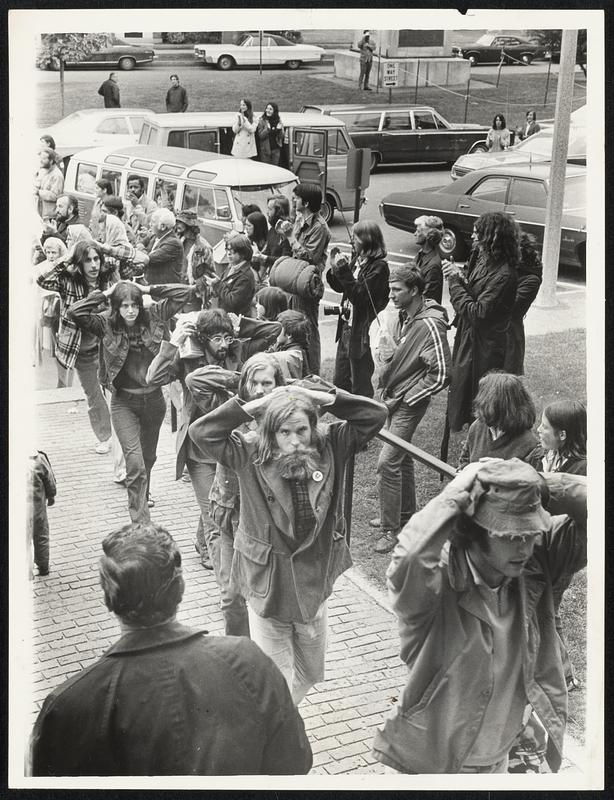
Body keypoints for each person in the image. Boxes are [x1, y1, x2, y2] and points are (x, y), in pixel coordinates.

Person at [29, 522, 313, 776]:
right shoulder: (249, 662)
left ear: (108, 599)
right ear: (181, 588)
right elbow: (294, 763)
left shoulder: (68, 707)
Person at [372, 458, 587, 774]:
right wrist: (459, 491)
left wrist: (537, 483)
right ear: (474, 531)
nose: (525, 547)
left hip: (500, 759)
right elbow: (412, 556)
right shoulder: (435, 589)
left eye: (530, 534)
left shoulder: (535, 566)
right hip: (434, 766)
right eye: (511, 536)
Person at [189, 381, 388, 704]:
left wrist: (326, 397)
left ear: (314, 427)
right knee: (277, 681)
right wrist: (255, 404)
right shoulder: (248, 451)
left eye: (301, 430)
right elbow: (203, 433)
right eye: (284, 432)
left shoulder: (332, 445)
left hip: (313, 582)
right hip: (268, 581)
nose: (295, 441)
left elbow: (375, 415)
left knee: (310, 672)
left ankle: (273, 722)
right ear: (271, 433)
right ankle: (276, 734)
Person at [67, 280, 197, 522]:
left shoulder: (155, 315)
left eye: (134, 305)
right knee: (134, 462)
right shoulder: (105, 323)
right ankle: (140, 522)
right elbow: (75, 312)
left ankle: (143, 494)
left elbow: (186, 292)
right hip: (123, 403)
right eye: (124, 305)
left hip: (154, 401)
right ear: (116, 307)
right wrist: (106, 293)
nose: (130, 310)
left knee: (148, 457)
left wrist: (147, 289)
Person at [145, 308, 242, 584]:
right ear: (203, 339)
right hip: (200, 452)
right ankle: (228, 589)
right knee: (217, 521)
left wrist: (240, 322)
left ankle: (200, 543)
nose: (223, 344)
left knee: (219, 503)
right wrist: (174, 343)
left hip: (229, 447)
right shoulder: (187, 358)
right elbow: (152, 378)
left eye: (227, 337)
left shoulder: (234, 354)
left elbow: (270, 331)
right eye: (216, 339)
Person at [196, 353, 286, 636]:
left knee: (263, 598)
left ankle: (263, 656)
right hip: (231, 520)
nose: (260, 389)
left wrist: (284, 394)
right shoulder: (231, 413)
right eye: (254, 382)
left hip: (265, 525)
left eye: (267, 383)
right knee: (231, 598)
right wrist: (249, 401)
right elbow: (195, 384)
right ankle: (240, 655)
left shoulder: (286, 420)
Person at [372, 265, 451, 554]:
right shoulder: (409, 316)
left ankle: (389, 530)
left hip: (407, 402)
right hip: (395, 397)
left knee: (387, 462)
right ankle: (404, 516)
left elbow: (442, 372)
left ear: (414, 290)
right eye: (391, 289)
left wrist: (411, 397)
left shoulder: (430, 324)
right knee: (401, 458)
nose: (391, 294)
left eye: (397, 290)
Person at [36, 241, 117, 450]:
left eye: (96, 259)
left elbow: (136, 257)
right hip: (81, 349)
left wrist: (106, 248)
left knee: (116, 390)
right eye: (87, 260)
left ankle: (121, 433)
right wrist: (68, 257)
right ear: (79, 263)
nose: (93, 265)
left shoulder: (107, 278)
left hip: (107, 346)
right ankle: (106, 437)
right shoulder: (68, 281)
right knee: (93, 394)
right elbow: (42, 279)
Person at [444, 211, 519, 433]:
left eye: (478, 234)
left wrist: (455, 282)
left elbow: (477, 312)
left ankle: (483, 443)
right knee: (462, 394)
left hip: (485, 349)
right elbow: (474, 292)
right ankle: (473, 438)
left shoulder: (504, 275)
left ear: (492, 238)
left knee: (482, 402)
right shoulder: (483, 258)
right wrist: (459, 277)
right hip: (469, 340)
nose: (473, 237)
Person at [326, 220, 390, 397]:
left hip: (361, 334)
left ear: (366, 239)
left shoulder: (379, 267)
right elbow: (342, 288)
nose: (350, 241)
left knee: (359, 386)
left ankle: (362, 421)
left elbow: (360, 297)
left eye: (354, 237)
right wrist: (334, 268)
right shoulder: (359, 259)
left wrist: (345, 272)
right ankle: (346, 421)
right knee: (340, 381)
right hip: (347, 329)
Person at [277, 182, 332, 373]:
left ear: (306, 202)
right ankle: (301, 369)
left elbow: (310, 257)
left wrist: (291, 237)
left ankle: (313, 373)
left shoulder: (319, 227)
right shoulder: (300, 220)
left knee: (308, 330)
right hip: (295, 282)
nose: (293, 200)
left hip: (308, 285)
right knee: (295, 328)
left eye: (296, 198)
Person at [458, 372, 538, 469]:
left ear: (498, 406)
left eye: (483, 399)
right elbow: (464, 460)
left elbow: (527, 481)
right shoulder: (478, 426)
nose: (478, 401)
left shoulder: (528, 444)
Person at [503, 232, 543, 375]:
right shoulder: (511, 269)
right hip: (498, 331)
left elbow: (511, 307)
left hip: (510, 333)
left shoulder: (531, 279)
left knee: (505, 381)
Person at [527, 400, 587, 477]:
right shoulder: (538, 456)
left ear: (562, 435)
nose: (538, 429)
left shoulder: (580, 471)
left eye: (545, 427)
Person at [205, 233, 256, 316]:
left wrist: (218, 285)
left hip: (236, 321)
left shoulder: (246, 276)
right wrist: (213, 287)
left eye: (232, 251)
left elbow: (233, 301)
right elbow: (223, 288)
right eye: (227, 250)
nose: (228, 254)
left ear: (243, 254)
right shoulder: (232, 267)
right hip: (224, 316)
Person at [27, 449, 57, 578]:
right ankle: (43, 566)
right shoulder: (38, 458)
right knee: (41, 536)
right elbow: (49, 481)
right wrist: (51, 495)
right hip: (37, 509)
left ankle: (27, 571)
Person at [138, 208, 184, 284]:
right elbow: (140, 243)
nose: (150, 224)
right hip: (151, 285)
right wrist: (141, 246)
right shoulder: (156, 236)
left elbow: (148, 259)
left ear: (163, 227)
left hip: (164, 291)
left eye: (153, 222)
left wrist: (141, 250)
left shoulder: (173, 243)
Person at [251, 194, 292, 279]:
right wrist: (258, 256)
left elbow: (286, 259)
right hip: (273, 276)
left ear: (279, 212)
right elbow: (268, 252)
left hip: (284, 278)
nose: (267, 212)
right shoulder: (272, 230)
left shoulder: (288, 231)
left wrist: (265, 258)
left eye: (270, 209)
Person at [174, 209, 214, 287]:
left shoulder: (204, 247)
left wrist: (196, 285)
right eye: (177, 222)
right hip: (177, 286)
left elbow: (210, 273)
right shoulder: (179, 242)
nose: (177, 224)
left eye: (180, 222)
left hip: (193, 291)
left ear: (189, 225)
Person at [413, 215, 444, 303]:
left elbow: (427, 299)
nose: (415, 234)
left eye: (418, 231)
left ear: (428, 235)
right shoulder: (420, 255)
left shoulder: (433, 266)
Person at [34, 148, 64, 220]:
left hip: (49, 216)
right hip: (40, 213)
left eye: (43, 159)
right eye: (40, 158)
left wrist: (38, 192)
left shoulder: (57, 175)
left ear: (51, 161)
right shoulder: (42, 171)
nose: (41, 161)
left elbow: (55, 196)